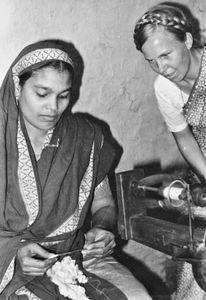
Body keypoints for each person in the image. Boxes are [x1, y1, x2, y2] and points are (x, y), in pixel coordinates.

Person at [0, 39, 152, 300]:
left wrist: (103, 228)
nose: (53, 107)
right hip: (10, 267)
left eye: (63, 96)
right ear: (17, 86)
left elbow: (103, 203)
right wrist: (13, 254)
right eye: (41, 93)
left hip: (76, 257)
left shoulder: (84, 136)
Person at [133, 2, 206, 300]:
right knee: (198, 260)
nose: (162, 67)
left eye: (166, 54)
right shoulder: (165, 87)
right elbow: (184, 138)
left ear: (187, 40)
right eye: (151, 60)